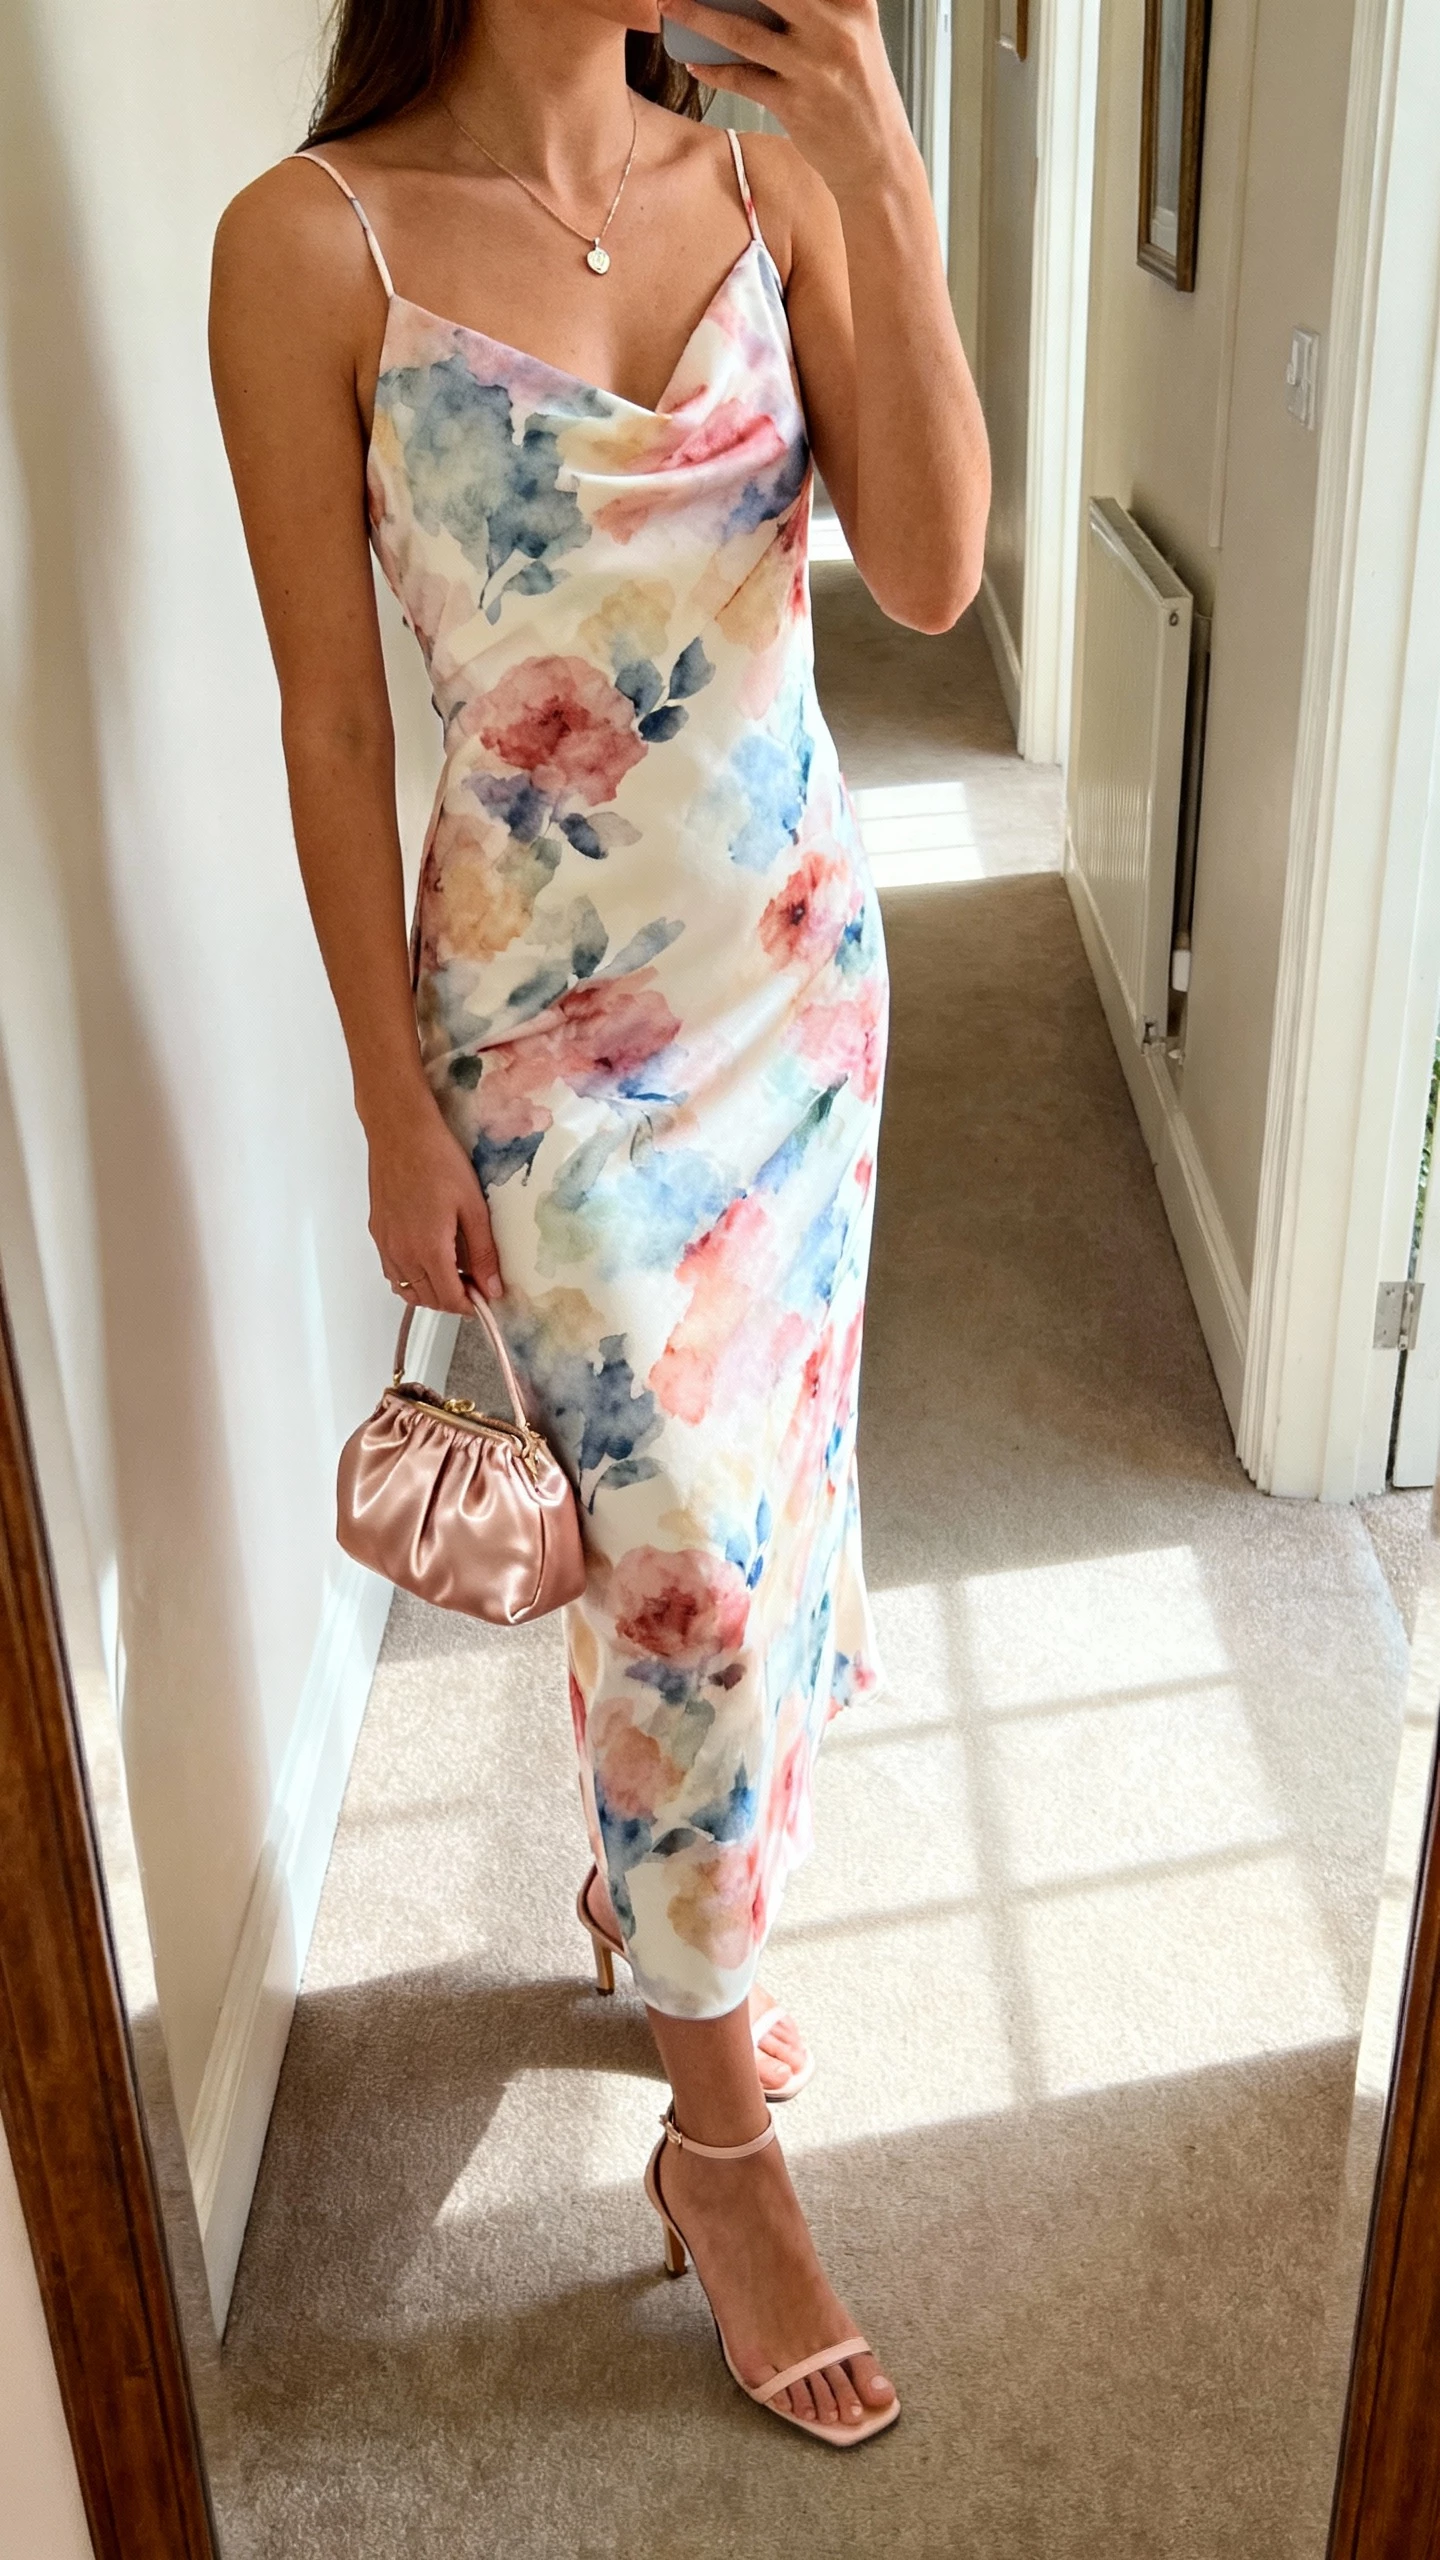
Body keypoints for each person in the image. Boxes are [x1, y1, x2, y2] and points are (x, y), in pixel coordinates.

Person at [210, 0, 988, 2447]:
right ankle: (722, 2146)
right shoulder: (307, 245)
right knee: (683, 1577)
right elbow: (336, 727)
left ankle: (658, 1915)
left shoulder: (766, 169)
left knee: (768, 1527)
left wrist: (881, 164)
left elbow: (943, 574)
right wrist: (382, 1103)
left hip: (795, 986)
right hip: (542, 1055)